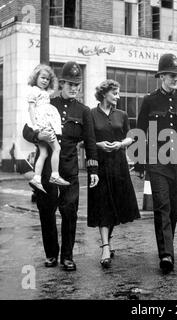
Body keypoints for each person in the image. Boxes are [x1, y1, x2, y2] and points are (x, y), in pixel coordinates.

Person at [23, 61, 99, 271]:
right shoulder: (47, 102)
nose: (74, 88)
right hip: (47, 169)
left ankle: (67, 256)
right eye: (70, 84)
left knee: (69, 212)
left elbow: (91, 143)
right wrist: (37, 135)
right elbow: (26, 129)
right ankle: (51, 255)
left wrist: (93, 169)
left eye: (77, 85)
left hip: (69, 170)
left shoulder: (84, 111)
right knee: (46, 212)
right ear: (62, 83)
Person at [136, 53, 177, 273]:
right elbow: (140, 132)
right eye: (171, 75)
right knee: (162, 207)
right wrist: (140, 164)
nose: (175, 79)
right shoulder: (149, 100)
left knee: (174, 209)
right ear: (161, 75)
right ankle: (166, 255)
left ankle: (167, 244)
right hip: (157, 162)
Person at [88, 80, 140, 268]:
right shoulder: (91, 114)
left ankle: (107, 241)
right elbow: (86, 141)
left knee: (115, 206)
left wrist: (121, 144)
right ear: (104, 94)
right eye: (115, 93)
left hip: (119, 165)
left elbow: (129, 136)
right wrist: (98, 145)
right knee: (103, 206)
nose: (118, 97)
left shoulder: (122, 114)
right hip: (100, 166)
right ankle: (105, 247)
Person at [26, 64, 70, 193]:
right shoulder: (34, 91)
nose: (45, 81)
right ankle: (55, 175)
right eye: (42, 78)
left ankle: (37, 178)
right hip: (42, 125)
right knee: (57, 148)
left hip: (43, 124)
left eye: (47, 79)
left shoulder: (43, 92)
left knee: (44, 153)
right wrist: (36, 126)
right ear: (36, 78)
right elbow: (31, 109)